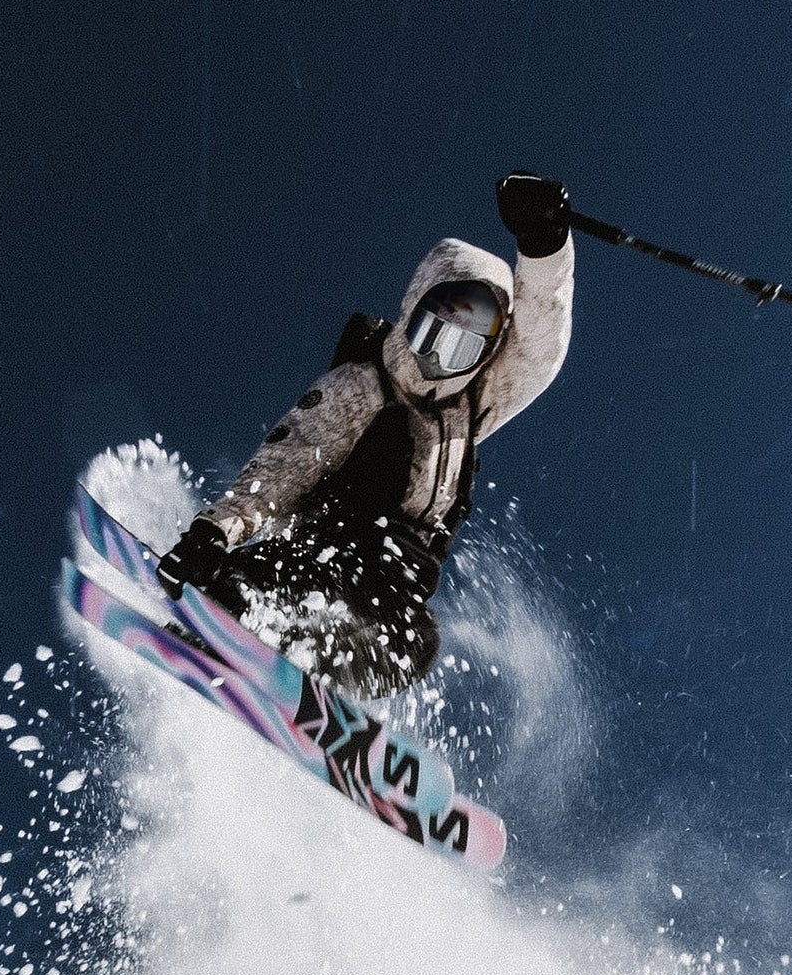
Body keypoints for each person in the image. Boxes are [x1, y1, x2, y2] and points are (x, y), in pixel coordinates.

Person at [156, 172, 574, 698]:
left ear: (486, 354)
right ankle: (231, 611)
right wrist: (214, 532)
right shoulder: (362, 387)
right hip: (323, 549)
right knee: (283, 574)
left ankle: (311, 675)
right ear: (412, 311)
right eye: (433, 334)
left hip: (390, 587)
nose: (439, 359)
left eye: (462, 349)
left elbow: (538, 349)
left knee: (415, 644)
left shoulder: (471, 407)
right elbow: (286, 466)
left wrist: (544, 247)